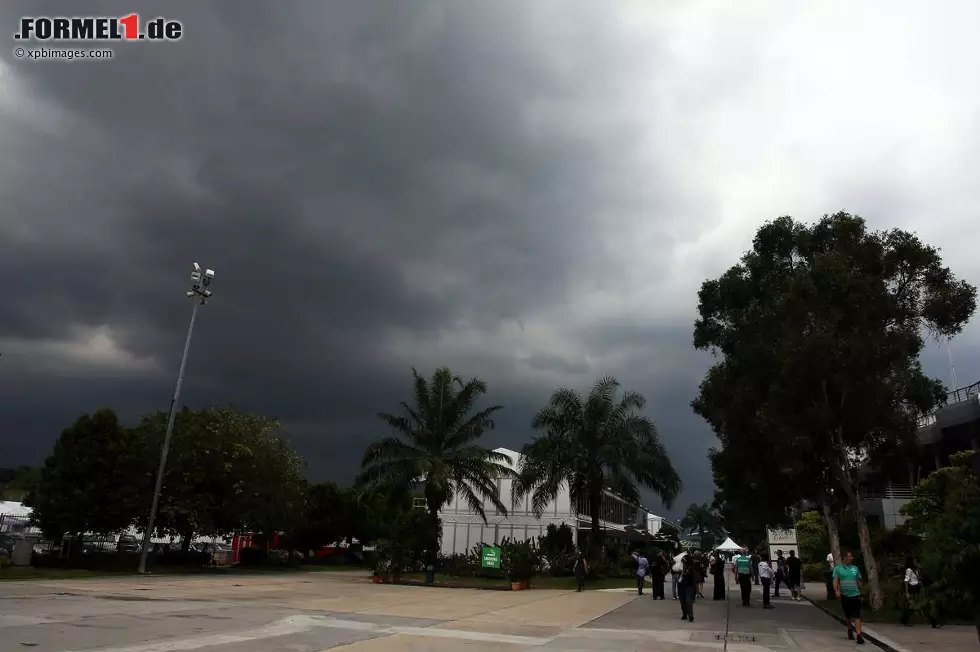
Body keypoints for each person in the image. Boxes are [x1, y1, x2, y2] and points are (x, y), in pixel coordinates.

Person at [833, 550, 866, 645]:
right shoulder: (838, 569)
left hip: (855, 595)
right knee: (848, 616)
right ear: (844, 558)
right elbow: (835, 581)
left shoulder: (855, 569)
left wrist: (860, 589)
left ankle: (859, 635)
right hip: (845, 595)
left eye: (852, 556)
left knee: (857, 615)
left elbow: (859, 581)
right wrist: (836, 590)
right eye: (850, 556)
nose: (852, 558)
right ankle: (850, 628)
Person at [900, 556, 940, 628]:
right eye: (915, 561)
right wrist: (906, 593)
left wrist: (920, 568)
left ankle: (904, 619)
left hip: (918, 589)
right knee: (919, 606)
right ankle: (934, 622)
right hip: (912, 589)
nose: (916, 563)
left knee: (918, 606)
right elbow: (906, 581)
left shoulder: (917, 570)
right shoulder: (909, 570)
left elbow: (920, 578)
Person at [678, 553, 696, 622]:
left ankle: (690, 615)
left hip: (689, 586)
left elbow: (692, 578)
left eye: (684, 560)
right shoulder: (680, 567)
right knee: (682, 601)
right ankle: (684, 614)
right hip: (681, 585)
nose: (682, 561)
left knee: (688, 601)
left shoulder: (690, 568)